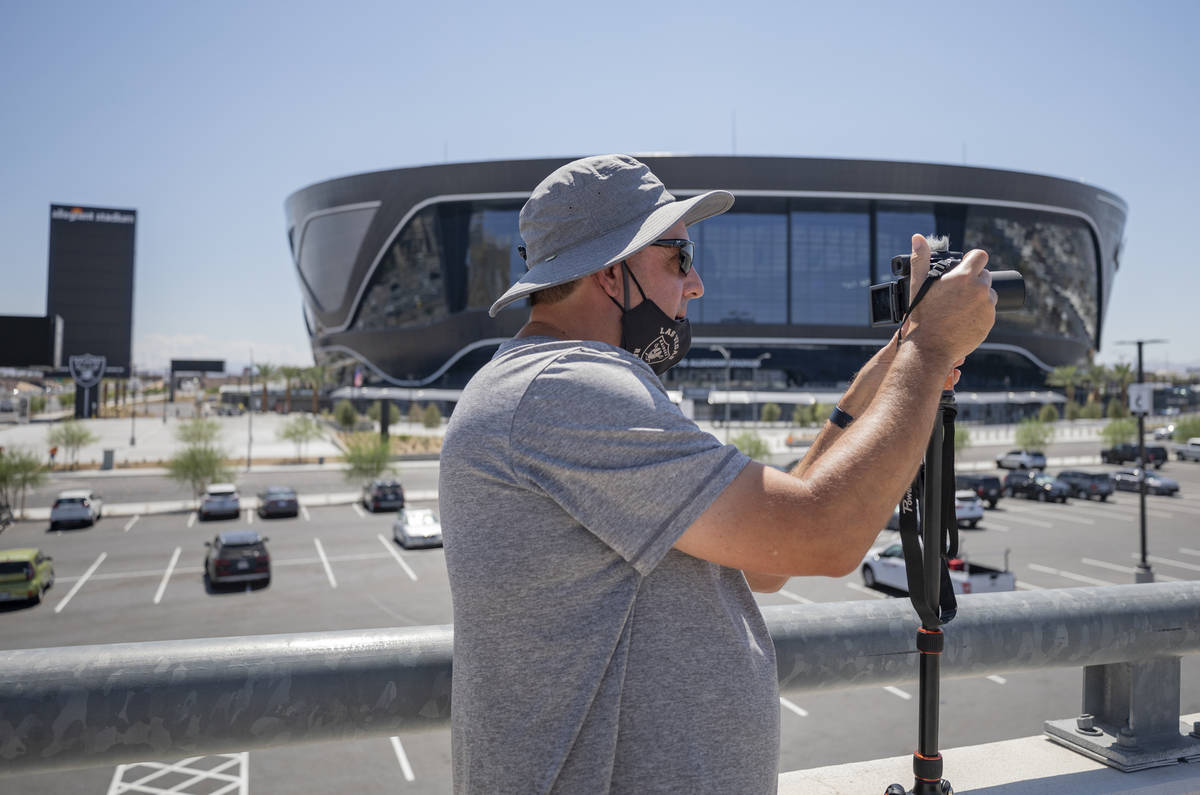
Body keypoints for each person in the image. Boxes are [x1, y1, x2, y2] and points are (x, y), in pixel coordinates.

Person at [439, 154, 996, 793]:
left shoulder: (554, 386)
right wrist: (929, 349)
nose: (696, 282)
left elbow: (769, 563)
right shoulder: (567, 390)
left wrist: (865, 398)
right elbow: (827, 534)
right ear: (611, 270)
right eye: (679, 257)